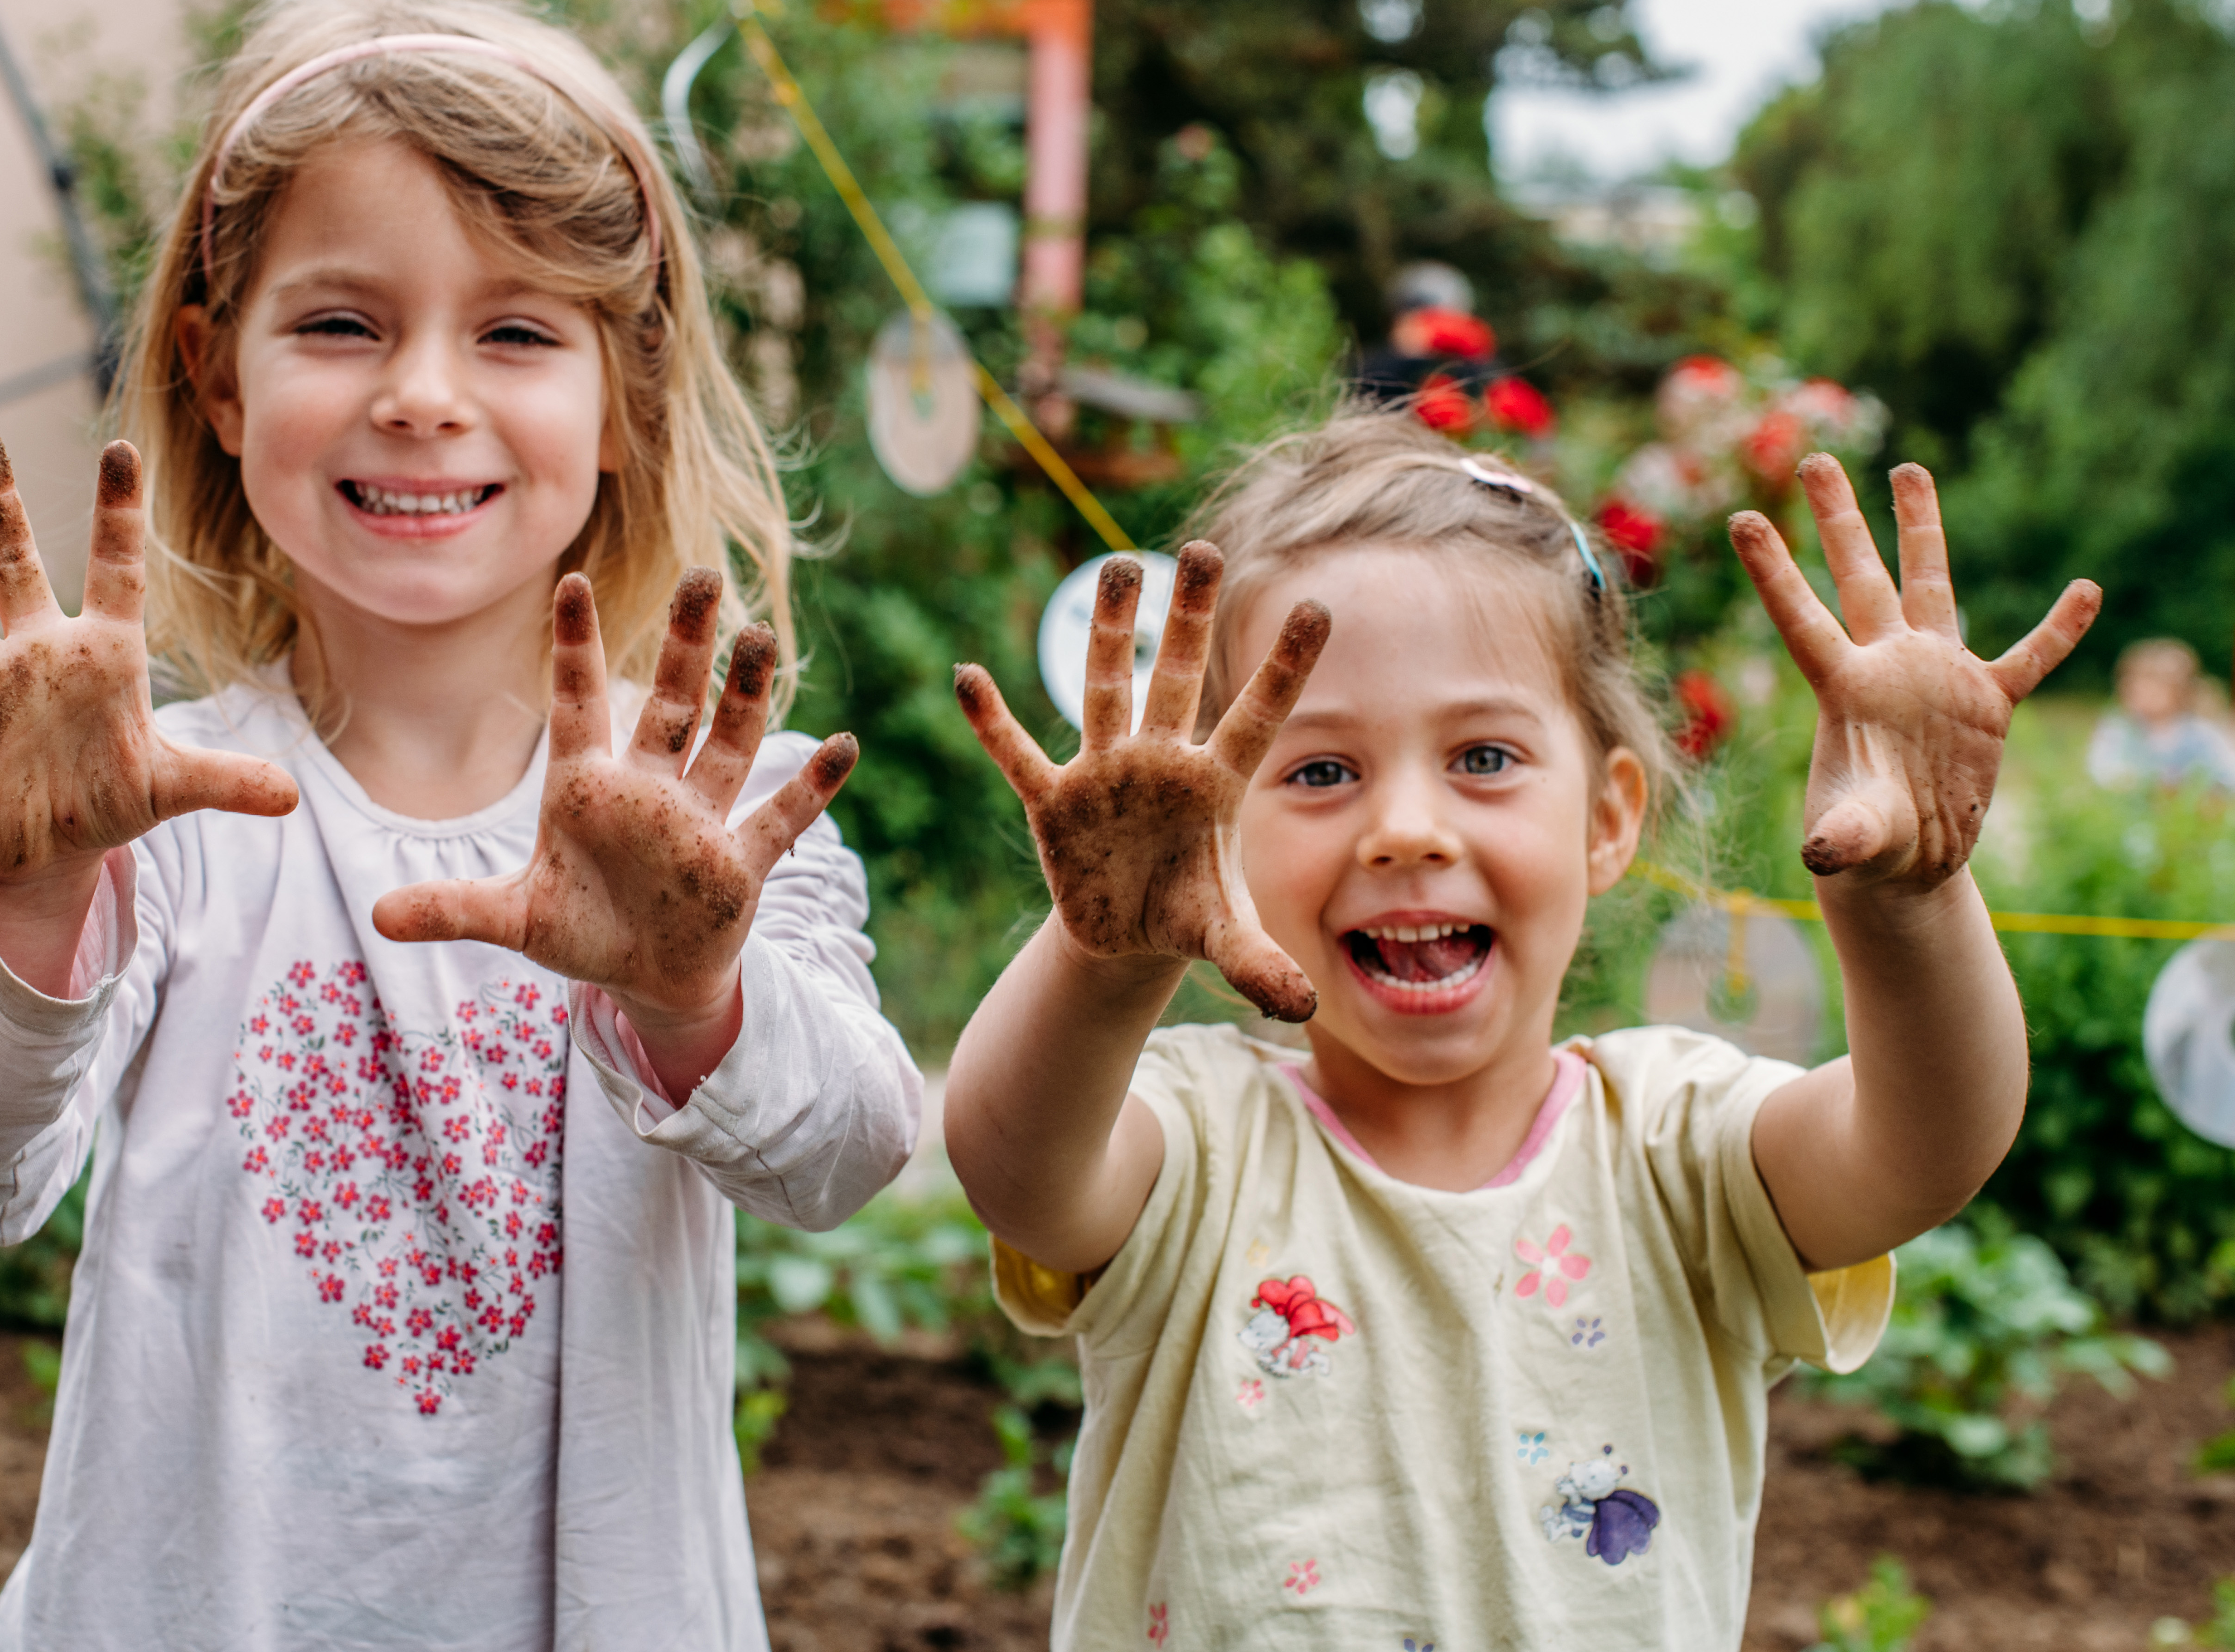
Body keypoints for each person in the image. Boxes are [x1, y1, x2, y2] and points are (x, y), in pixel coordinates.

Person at [0, 0, 921, 1651]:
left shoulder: (713, 827)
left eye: (517, 332)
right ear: (215, 375)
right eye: (339, 324)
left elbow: (843, 1159)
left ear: (625, 394)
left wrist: (692, 991)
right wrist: (24, 889)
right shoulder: (150, 817)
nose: (419, 394)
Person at [938, 412, 2099, 1648]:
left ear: (1608, 820)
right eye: (1321, 772)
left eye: (1484, 757)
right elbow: (1019, 1170)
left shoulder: (1678, 1148)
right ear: (1219, 835)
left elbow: (1927, 1144)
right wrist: (1102, 960)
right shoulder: (1194, 1144)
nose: (1406, 829)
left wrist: (1908, 903)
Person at [2087, 636, 2235, 792]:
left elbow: (2228, 772)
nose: (2142, 694)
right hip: (2134, 802)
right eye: (2135, 687)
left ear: (2180, 692)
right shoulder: (2120, 728)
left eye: (2153, 688)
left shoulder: (2199, 733)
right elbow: (2101, 768)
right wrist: (2135, 782)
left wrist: (2201, 788)